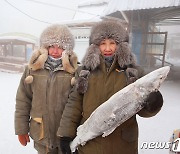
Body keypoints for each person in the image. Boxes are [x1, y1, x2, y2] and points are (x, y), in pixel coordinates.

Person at [58, 20, 164, 154]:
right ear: (95, 46)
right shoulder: (84, 72)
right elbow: (74, 104)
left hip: (123, 145)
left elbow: (141, 110)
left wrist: (153, 104)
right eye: (103, 43)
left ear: (121, 45)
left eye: (112, 43)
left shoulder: (134, 73)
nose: (107, 48)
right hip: (91, 144)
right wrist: (66, 135)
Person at [15, 24, 78, 154]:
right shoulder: (32, 70)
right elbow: (23, 100)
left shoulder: (75, 72)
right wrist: (21, 129)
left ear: (67, 49)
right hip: (41, 134)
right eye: (51, 46)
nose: (55, 51)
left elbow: (79, 105)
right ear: (45, 47)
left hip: (66, 135)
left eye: (60, 47)